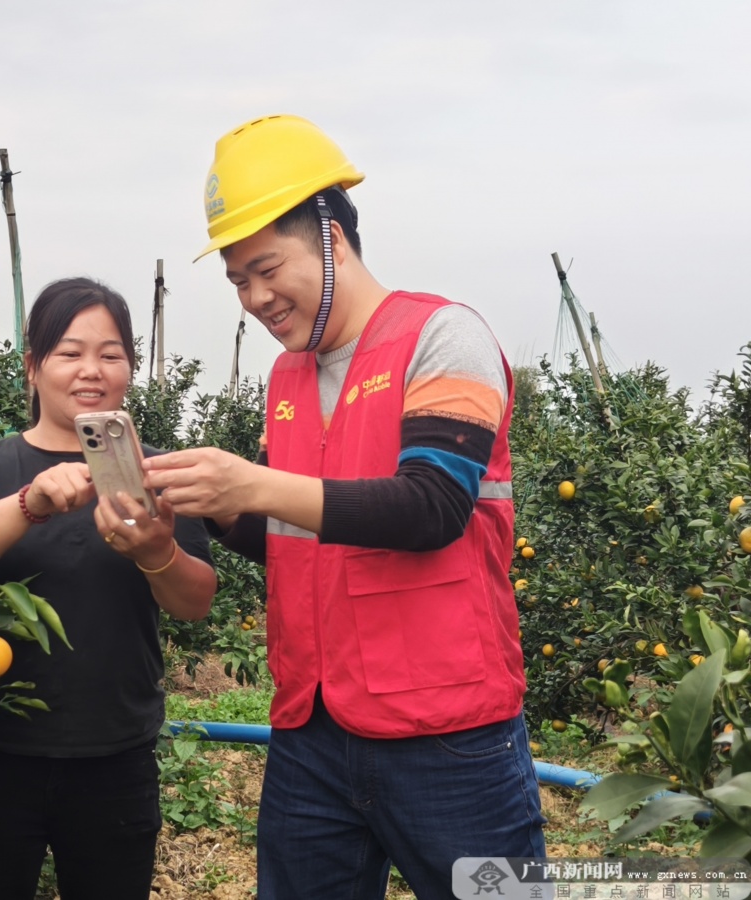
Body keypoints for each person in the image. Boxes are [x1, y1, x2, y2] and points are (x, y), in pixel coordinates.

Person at [142, 115, 546, 899]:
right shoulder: (289, 379)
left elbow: (431, 509)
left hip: (449, 733)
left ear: (330, 233)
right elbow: (306, 534)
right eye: (236, 282)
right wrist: (219, 511)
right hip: (314, 730)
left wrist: (251, 483)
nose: (255, 298)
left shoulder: (443, 336)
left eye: (266, 268)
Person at [0, 276, 216, 900]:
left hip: (116, 758)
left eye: (111, 354)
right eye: (70, 352)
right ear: (32, 366)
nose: (92, 370)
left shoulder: (160, 476)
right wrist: (29, 504)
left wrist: (156, 549)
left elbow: (195, 603)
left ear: (130, 368)